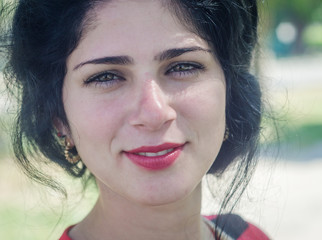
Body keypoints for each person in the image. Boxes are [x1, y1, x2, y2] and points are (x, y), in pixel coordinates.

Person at [1, 0, 270, 239]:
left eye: (183, 66)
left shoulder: (251, 236)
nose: (154, 114)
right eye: (106, 76)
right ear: (59, 117)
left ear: (231, 92)